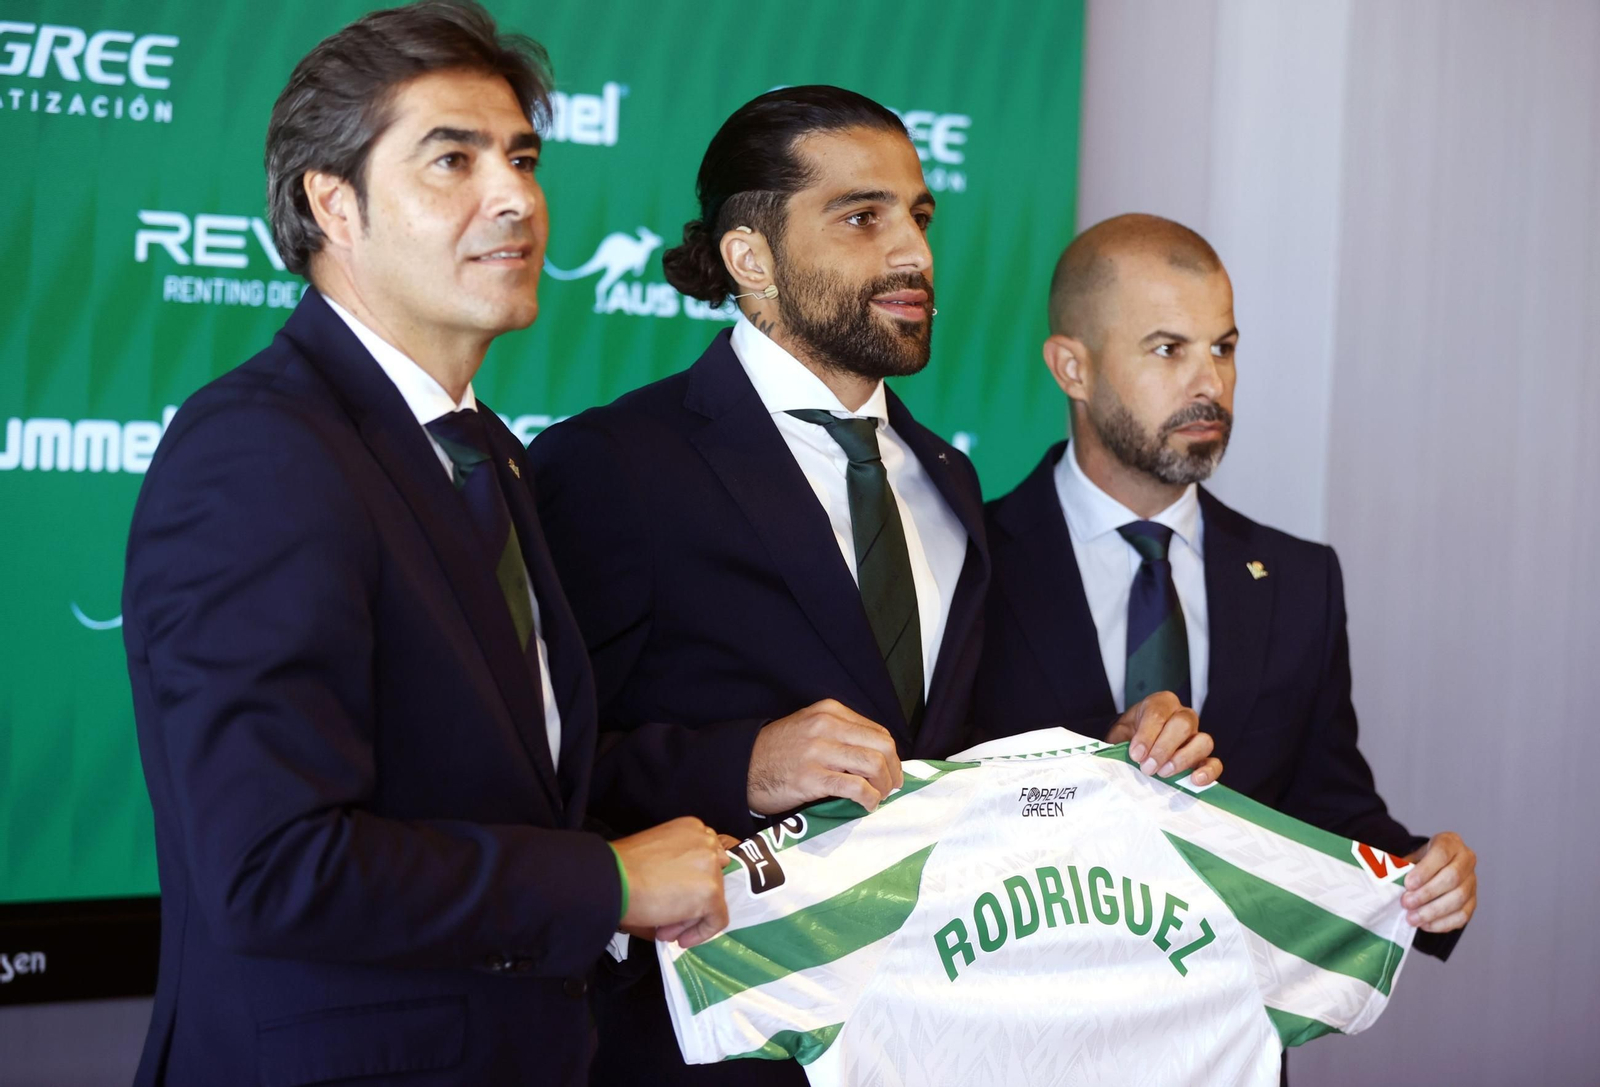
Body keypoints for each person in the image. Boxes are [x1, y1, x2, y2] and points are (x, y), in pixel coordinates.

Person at [528, 90, 1219, 1086]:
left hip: (931, 1036)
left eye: (919, 217)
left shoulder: (950, 477)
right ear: (750, 258)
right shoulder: (613, 463)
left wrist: (1096, 760)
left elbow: (958, 750)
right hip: (705, 1048)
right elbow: (540, 780)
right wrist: (743, 763)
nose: (915, 256)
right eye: (863, 217)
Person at [121, 5, 726, 1084]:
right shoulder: (260, 447)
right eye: (452, 158)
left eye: (524, 158)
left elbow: (512, 788)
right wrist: (607, 886)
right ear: (331, 203)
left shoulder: (484, 451)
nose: (516, 197)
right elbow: (274, 865)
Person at [974, 213, 1477, 966]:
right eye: (1168, 349)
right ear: (1071, 368)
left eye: (1224, 347)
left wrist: (1424, 878)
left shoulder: (1301, 581)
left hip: (1228, 1047)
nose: (1210, 383)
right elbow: (934, 809)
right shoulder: (965, 562)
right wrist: (1098, 764)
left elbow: (1326, 813)